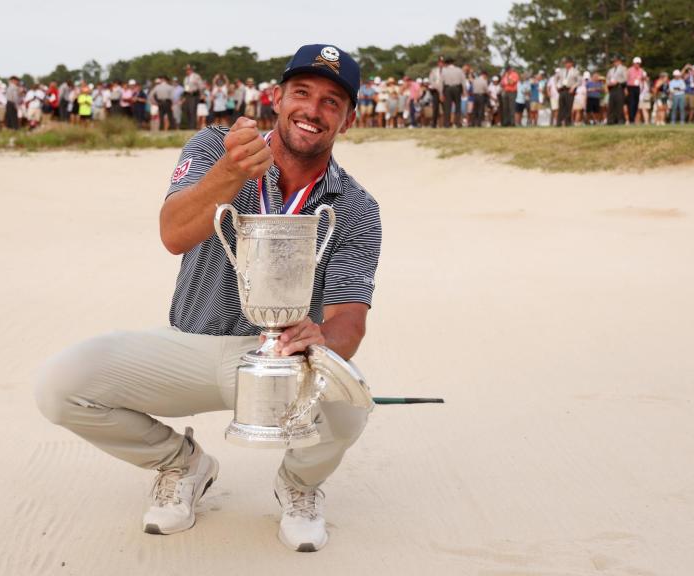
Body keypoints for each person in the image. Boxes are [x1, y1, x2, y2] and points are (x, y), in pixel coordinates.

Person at [35, 43, 380, 554]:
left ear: (348, 120)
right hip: (190, 346)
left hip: (281, 364)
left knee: (352, 403)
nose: (313, 109)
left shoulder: (356, 205)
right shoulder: (214, 146)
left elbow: (349, 318)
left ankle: (299, 486)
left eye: (332, 101)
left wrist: (321, 340)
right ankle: (181, 463)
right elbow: (173, 233)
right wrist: (232, 172)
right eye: (302, 93)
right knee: (61, 387)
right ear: (277, 99)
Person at [554, 58, 580, 127]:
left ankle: (567, 122)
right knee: (561, 106)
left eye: (568, 63)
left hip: (570, 90)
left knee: (569, 107)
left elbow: (579, 81)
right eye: (566, 63)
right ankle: (559, 122)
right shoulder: (561, 71)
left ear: (571, 64)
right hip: (562, 89)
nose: (567, 64)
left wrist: (573, 87)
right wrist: (557, 85)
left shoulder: (575, 71)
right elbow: (555, 78)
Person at [606, 55, 627, 125]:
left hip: (619, 87)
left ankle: (620, 119)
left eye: (616, 61)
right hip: (612, 88)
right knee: (611, 104)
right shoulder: (610, 70)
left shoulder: (623, 68)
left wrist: (618, 81)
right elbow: (607, 78)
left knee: (619, 104)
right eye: (614, 61)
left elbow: (625, 79)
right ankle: (611, 120)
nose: (615, 62)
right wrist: (609, 83)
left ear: (619, 61)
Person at [182, 65, 203, 130]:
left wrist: (201, 94)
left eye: (188, 69)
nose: (186, 71)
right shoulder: (186, 78)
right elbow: (185, 87)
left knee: (192, 110)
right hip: (187, 95)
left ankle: (192, 126)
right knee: (187, 110)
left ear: (191, 70)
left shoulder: (196, 76)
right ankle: (189, 125)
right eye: (186, 70)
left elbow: (200, 86)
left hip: (194, 95)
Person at [626, 57, 646, 124]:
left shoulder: (641, 70)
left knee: (636, 104)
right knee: (631, 103)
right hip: (630, 87)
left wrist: (642, 87)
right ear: (633, 63)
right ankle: (631, 119)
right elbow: (626, 80)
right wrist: (626, 89)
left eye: (639, 63)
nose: (638, 64)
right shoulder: (629, 70)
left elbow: (643, 79)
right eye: (636, 63)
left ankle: (633, 118)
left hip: (637, 88)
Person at [427, 56, 444, 127]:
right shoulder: (434, 71)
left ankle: (446, 123)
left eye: (442, 63)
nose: (441, 64)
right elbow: (431, 81)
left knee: (446, 108)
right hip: (436, 91)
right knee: (435, 108)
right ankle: (434, 124)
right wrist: (437, 87)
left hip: (444, 91)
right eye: (440, 62)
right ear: (438, 63)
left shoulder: (446, 71)